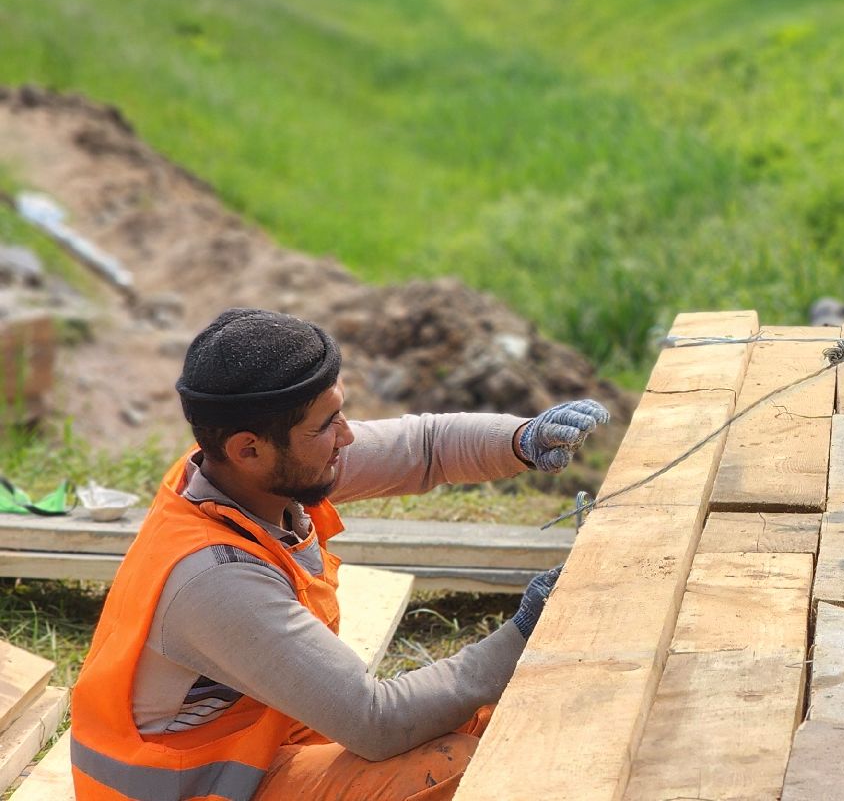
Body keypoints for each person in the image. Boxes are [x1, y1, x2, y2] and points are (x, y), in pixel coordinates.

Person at [70, 308, 612, 801]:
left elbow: (424, 449)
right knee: (456, 767)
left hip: (254, 745)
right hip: (200, 788)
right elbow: (377, 722)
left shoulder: (248, 476)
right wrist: (524, 630)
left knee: (490, 715)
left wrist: (520, 439)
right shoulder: (215, 580)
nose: (347, 437)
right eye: (326, 424)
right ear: (249, 448)